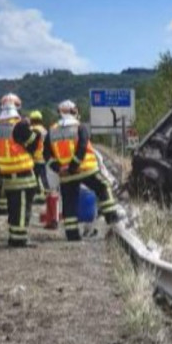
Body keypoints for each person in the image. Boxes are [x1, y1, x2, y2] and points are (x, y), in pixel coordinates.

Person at [44, 100, 120, 241]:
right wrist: (73, 166)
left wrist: (58, 168)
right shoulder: (80, 127)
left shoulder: (52, 131)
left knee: (69, 203)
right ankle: (112, 219)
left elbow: (46, 154)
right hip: (85, 169)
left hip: (65, 175)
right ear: (74, 111)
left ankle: (72, 235)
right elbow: (82, 147)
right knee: (103, 187)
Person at [0, 94, 40, 247]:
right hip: (22, 173)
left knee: (13, 208)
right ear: (17, 108)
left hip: (6, 173)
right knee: (22, 208)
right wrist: (34, 131)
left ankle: (13, 237)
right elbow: (33, 144)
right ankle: (20, 239)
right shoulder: (20, 126)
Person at [28, 110, 49, 203]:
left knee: (38, 176)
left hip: (36, 156)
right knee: (43, 175)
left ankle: (42, 194)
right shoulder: (44, 129)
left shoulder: (33, 130)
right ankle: (46, 193)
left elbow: (31, 143)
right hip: (43, 155)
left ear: (32, 120)